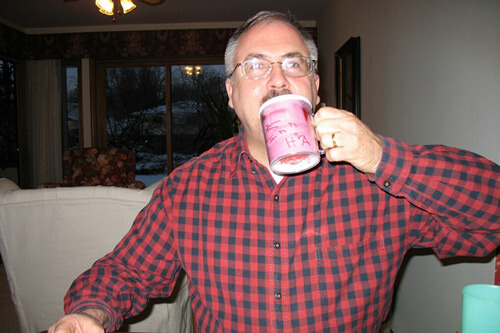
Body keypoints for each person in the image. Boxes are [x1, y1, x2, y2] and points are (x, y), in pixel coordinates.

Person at [49, 10, 500, 333]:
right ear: (230, 93)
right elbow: (126, 270)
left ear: (315, 87)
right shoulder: (187, 189)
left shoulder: (376, 177)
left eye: (293, 63)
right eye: (255, 66)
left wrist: (384, 157)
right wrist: (91, 313)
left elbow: (492, 214)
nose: (278, 80)